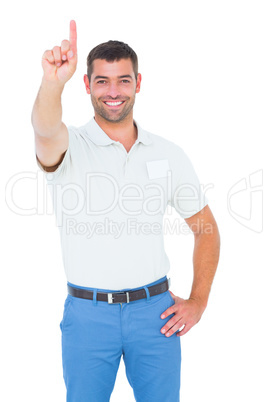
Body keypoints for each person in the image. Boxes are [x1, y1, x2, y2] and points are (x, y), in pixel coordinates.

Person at [31, 20, 220, 402]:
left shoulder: (168, 153)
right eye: (102, 81)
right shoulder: (70, 145)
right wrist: (53, 82)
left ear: (138, 82)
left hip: (156, 316)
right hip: (88, 316)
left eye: (123, 80)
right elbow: (45, 127)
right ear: (86, 85)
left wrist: (198, 300)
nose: (113, 92)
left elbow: (207, 229)